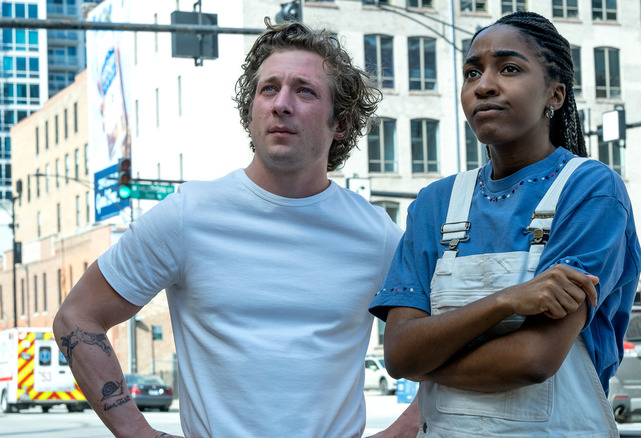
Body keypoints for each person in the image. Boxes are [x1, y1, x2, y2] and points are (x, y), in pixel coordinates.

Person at [53, 18, 418, 438]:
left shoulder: (377, 235)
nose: (281, 104)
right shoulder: (188, 215)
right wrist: (139, 433)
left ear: (342, 123)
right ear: (250, 113)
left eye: (304, 90)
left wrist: (404, 430)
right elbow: (77, 317)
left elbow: (449, 335)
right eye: (269, 89)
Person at [369, 11, 641, 437]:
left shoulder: (592, 191)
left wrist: (428, 359)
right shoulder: (434, 203)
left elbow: (533, 359)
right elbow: (400, 354)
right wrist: (507, 301)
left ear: (555, 95)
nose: (484, 85)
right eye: (472, 72)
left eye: (509, 68)